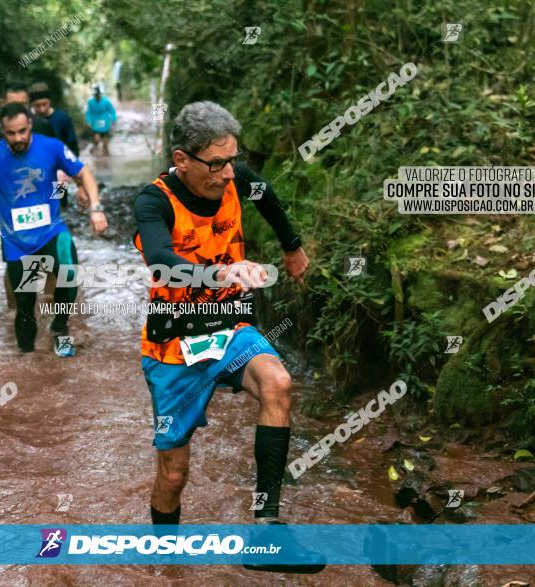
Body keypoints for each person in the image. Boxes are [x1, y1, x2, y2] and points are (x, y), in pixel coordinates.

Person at [133, 101, 324, 573]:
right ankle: (166, 561)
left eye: (232, 160)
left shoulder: (236, 177)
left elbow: (268, 196)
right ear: (183, 159)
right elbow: (160, 259)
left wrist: (293, 247)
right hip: (173, 344)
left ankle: (266, 528)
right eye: (216, 163)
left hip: (230, 327)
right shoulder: (153, 201)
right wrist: (222, 274)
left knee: (278, 383)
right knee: (174, 474)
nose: (227, 173)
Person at [0, 103, 108, 357]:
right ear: (2, 131)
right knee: (26, 305)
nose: (18, 138)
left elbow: (83, 173)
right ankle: (27, 359)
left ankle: (59, 328)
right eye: (11, 133)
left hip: (51, 231)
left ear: (30, 125)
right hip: (17, 243)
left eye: (22, 131)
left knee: (69, 275)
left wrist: (96, 207)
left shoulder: (51, 147)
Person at [0, 83, 56, 223]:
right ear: (2, 104)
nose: (19, 110)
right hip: (13, 202)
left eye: (23, 105)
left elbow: (61, 166)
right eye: (13, 104)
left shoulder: (43, 126)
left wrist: (60, 197)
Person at [29, 82, 87, 209]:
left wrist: (67, 170)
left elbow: (73, 147)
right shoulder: (28, 121)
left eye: (45, 104)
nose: (42, 109)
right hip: (34, 170)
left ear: (50, 101)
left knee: (58, 206)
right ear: (31, 105)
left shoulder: (63, 119)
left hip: (59, 171)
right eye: (37, 106)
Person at [85, 86, 117, 156]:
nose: (97, 96)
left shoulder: (106, 101)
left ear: (100, 94)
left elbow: (112, 111)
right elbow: (88, 113)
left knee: (105, 145)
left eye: (98, 94)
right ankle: (95, 150)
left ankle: (106, 159)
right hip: (95, 124)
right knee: (97, 140)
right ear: (94, 95)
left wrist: (113, 119)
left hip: (105, 124)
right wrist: (88, 121)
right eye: (95, 95)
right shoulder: (91, 102)